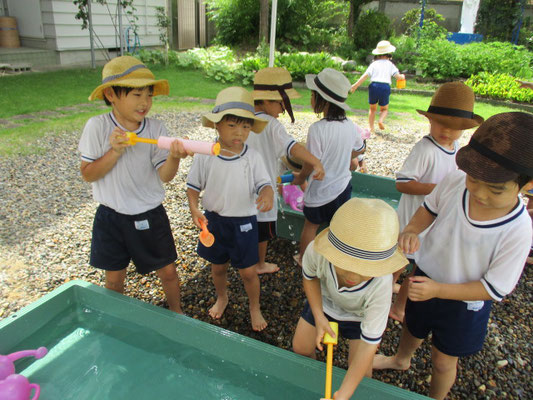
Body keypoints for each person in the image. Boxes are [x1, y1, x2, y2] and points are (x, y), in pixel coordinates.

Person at [374, 112, 533, 400]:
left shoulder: (519, 230)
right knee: (412, 324)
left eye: (496, 189)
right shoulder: (456, 181)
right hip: (425, 278)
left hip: (465, 303)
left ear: (527, 185)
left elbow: (493, 287)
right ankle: (401, 359)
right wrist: (411, 229)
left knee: (444, 360)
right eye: (474, 179)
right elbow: (429, 209)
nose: (479, 193)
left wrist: (439, 290)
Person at [78, 56, 191, 313]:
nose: (145, 103)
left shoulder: (155, 128)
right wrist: (114, 152)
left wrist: (174, 156)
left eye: (149, 95)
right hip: (111, 217)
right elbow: (88, 174)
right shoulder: (97, 127)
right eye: (137, 94)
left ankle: (178, 313)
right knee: (114, 279)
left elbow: (165, 176)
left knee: (169, 271)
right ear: (111, 94)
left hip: (149, 213)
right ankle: (116, 317)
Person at [292, 197, 408, 400]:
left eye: (364, 270)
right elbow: (309, 279)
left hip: (358, 316)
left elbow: (368, 346)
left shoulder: (381, 287)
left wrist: (343, 394)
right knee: (300, 348)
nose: (353, 277)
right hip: (325, 304)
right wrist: (319, 317)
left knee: (363, 375)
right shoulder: (317, 252)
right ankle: (313, 376)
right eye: (345, 264)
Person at [389, 82, 484, 322]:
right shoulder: (425, 149)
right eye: (442, 123)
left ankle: (400, 307)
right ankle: (378, 298)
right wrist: (439, 189)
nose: (448, 131)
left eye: (456, 127)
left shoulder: (456, 149)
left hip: (432, 226)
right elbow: (402, 183)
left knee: (417, 271)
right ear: (430, 120)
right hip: (412, 221)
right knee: (396, 265)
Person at [186, 86, 274, 332]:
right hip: (214, 221)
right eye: (232, 126)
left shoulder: (252, 156)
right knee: (217, 267)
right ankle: (222, 297)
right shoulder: (205, 154)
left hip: (244, 222)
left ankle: (254, 307)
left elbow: (264, 183)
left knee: (248, 271)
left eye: (245, 126)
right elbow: (192, 187)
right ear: (217, 125)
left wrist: (267, 193)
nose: (240, 132)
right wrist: (194, 209)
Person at [247, 67, 325, 274]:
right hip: (264, 188)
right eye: (280, 102)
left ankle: (240, 260)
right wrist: (315, 161)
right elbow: (293, 148)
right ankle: (260, 264)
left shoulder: (240, 118)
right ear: (264, 100)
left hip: (238, 186)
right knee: (262, 230)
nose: (283, 108)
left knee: (242, 225)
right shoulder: (271, 124)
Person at [292, 68, 366, 266]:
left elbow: (311, 161)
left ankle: (303, 259)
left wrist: (300, 177)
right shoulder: (350, 125)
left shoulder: (317, 129)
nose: (310, 99)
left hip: (320, 192)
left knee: (311, 225)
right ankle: (335, 261)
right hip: (342, 188)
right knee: (337, 227)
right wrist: (344, 157)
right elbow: (360, 148)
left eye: (312, 95)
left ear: (321, 100)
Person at [350, 40, 405, 133]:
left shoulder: (374, 64)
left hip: (374, 86)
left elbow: (365, 76)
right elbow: (397, 76)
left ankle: (371, 128)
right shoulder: (390, 64)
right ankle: (380, 120)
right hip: (385, 87)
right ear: (389, 54)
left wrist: (355, 85)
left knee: (372, 109)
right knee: (384, 109)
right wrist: (402, 76)